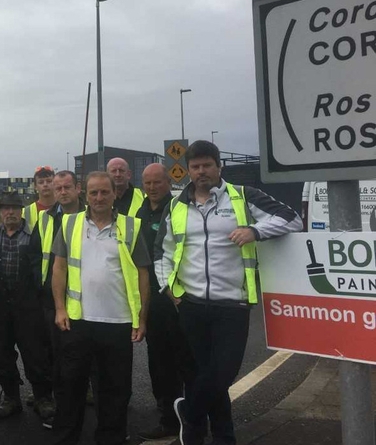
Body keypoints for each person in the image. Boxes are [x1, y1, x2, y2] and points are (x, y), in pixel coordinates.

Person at [154, 141, 302, 445]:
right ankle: (217, 437)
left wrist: (255, 231)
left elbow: (292, 217)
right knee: (202, 376)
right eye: (195, 167)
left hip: (232, 304)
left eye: (207, 165)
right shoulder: (178, 205)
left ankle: (190, 413)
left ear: (218, 167)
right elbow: (162, 251)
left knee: (222, 372)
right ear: (189, 171)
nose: (201, 171)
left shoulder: (242, 196)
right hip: (191, 304)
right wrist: (168, 288)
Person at [50, 171, 150, 445]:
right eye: (93, 192)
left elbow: (142, 274)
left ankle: (111, 439)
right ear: (86, 194)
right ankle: (65, 439)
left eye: (104, 192)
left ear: (114, 193)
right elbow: (58, 268)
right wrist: (59, 308)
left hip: (117, 323)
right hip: (78, 321)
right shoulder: (70, 224)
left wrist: (141, 319)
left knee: (115, 391)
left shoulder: (131, 227)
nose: (99, 197)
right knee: (70, 388)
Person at [0, 191, 54, 424]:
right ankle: (11, 398)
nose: (9, 212)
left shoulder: (36, 235)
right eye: (5, 208)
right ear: (0, 211)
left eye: (14, 208)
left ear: (22, 211)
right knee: (0, 356)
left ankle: (43, 398)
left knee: (36, 355)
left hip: (29, 307)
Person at [135, 164, 194, 441]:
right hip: (154, 302)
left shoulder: (180, 208)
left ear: (168, 183)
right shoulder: (141, 213)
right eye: (147, 183)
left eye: (157, 182)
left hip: (181, 299)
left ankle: (194, 418)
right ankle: (168, 418)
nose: (151, 187)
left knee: (187, 360)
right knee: (159, 364)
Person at [34, 170, 85, 428]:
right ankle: (63, 411)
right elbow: (35, 255)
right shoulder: (44, 219)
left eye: (67, 187)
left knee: (90, 358)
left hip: (86, 299)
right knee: (58, 357)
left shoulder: (91, 215)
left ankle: (92, 407)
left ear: (78, 188)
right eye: (58, 188)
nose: (62, 192)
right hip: (52, 299)